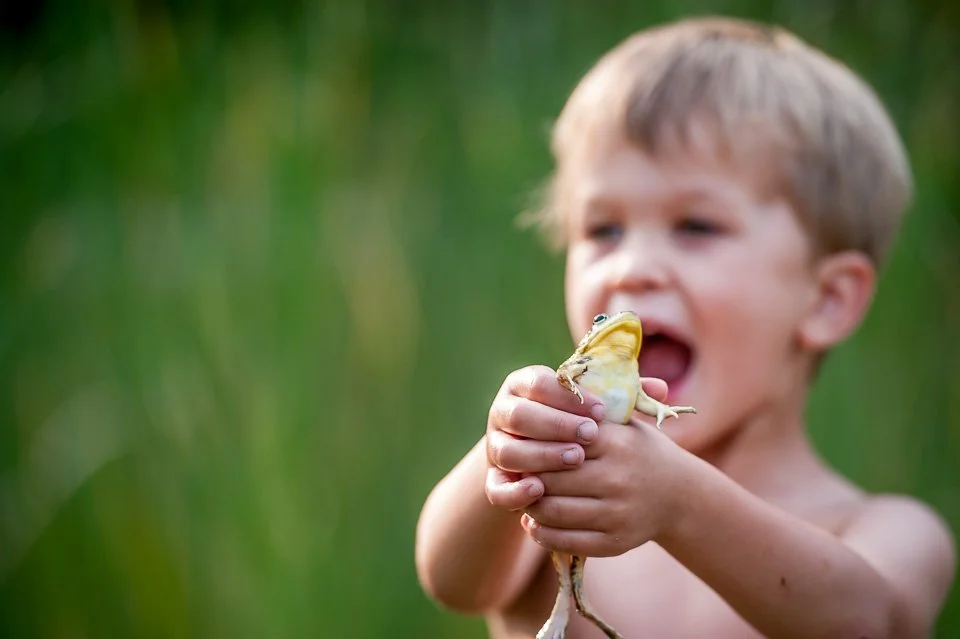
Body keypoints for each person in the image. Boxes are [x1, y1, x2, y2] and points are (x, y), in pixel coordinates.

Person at [414, 16, 956, 638]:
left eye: (696, 226)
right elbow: (451, 582)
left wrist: (681, 503)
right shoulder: (558, 485)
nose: (632, 267)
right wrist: (504, 453)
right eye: (603, 230)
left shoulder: (886, 532)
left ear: (826, 299)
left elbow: (869, 626)